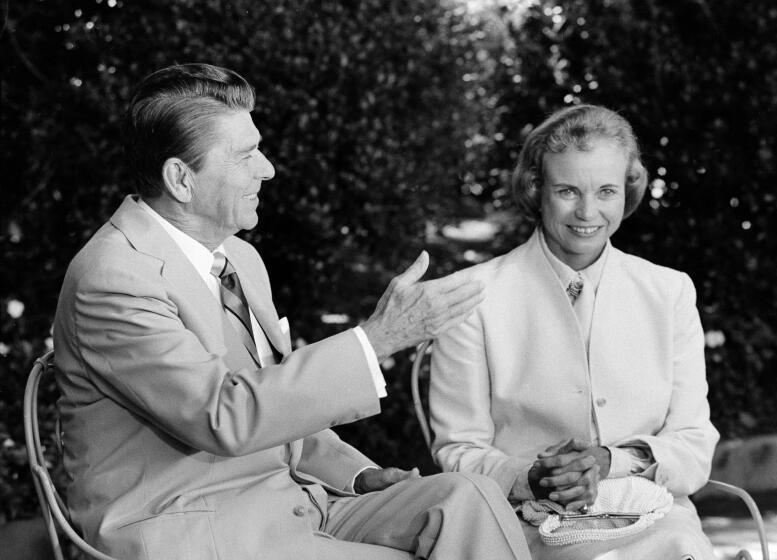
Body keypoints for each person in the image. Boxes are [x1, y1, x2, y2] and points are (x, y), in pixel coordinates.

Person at [52, 63, 532, 560]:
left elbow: (276, 403)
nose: (267, 169)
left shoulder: (239, 257)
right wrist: (379, 339)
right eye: (245, 155)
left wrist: (358, 474)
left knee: (469, 497)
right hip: (194, 529)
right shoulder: (114, 280)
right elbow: (225, 416)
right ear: (180, 178)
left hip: (291, 505)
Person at [429, 105, 720, 559]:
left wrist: (611, 462)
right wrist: (532, 478)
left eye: (606, 190)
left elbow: (694, 444)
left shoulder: (669, 291)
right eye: (567, 190)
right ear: (535, 188)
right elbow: (458, 448)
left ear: (628, 189)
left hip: (657, 521)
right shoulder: (473, 297)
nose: (588, 211)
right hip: (529, 525)